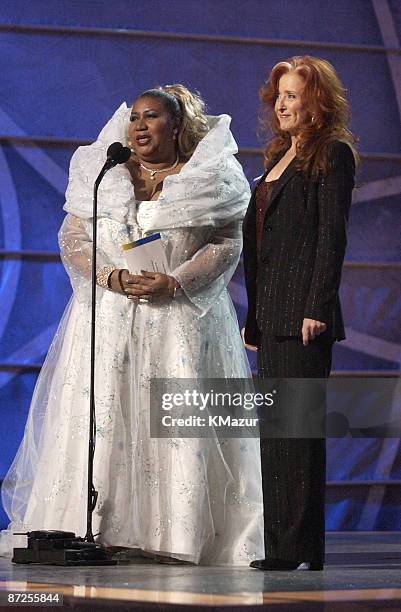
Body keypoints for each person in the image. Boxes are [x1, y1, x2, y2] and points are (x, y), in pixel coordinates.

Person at [0, 85, 264, 565]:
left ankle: (175, 535)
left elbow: (227, 241)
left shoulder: (208, 176)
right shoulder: (104, 173)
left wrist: (176, 281)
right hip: (110, 317)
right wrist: (110, 275)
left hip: (179, 321)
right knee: (104, 413)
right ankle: (99, 526)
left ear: (177, 126)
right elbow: (72, 235)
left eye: (153, 117)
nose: (140, 126)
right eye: (135, 117)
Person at [242, 57, 357, 571]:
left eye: (293, 95)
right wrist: (255, 316)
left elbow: (331, 238)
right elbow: (263, 243)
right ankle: (282, 548)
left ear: (316, 102)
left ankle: (300, 549)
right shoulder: (278, 156)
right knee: (276, 434)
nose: (282, 104)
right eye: (280, 95)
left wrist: (316, 307)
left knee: (299, 435)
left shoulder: (331, 154)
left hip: (304, 318)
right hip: (271, 315)